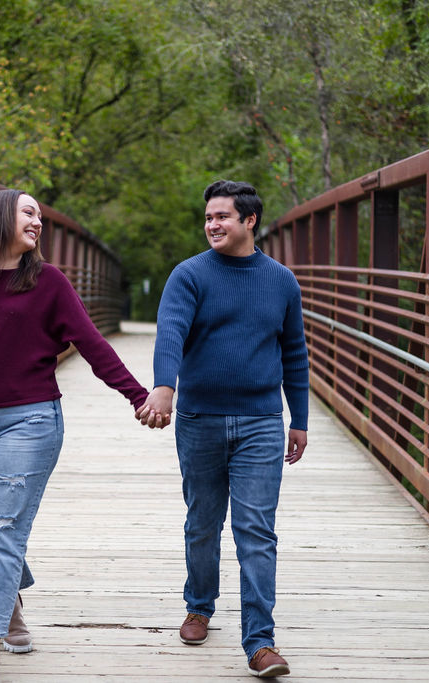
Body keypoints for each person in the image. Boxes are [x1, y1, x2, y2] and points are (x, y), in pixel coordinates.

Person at [0, 189, 151, 683]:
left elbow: (90, 342)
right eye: (29, 213)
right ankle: (11, 607)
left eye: (42, 217)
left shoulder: (48, 282)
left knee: (4, 528)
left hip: (30, 418)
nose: (39, 222)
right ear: (0, 215)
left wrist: (137, 395)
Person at [136, 179, 309, 678]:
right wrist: (163, 387)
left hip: (261, 422)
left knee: (256, 530)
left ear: (249, 220)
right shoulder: (189, 275)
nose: (212, 224)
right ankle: (199, 606)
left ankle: (260, 641)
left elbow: (295, 354)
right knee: (203, 522)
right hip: (198, 419)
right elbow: (170, 330)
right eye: (208, 217)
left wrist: (299, 418)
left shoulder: (280, 281)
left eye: (222, 217)